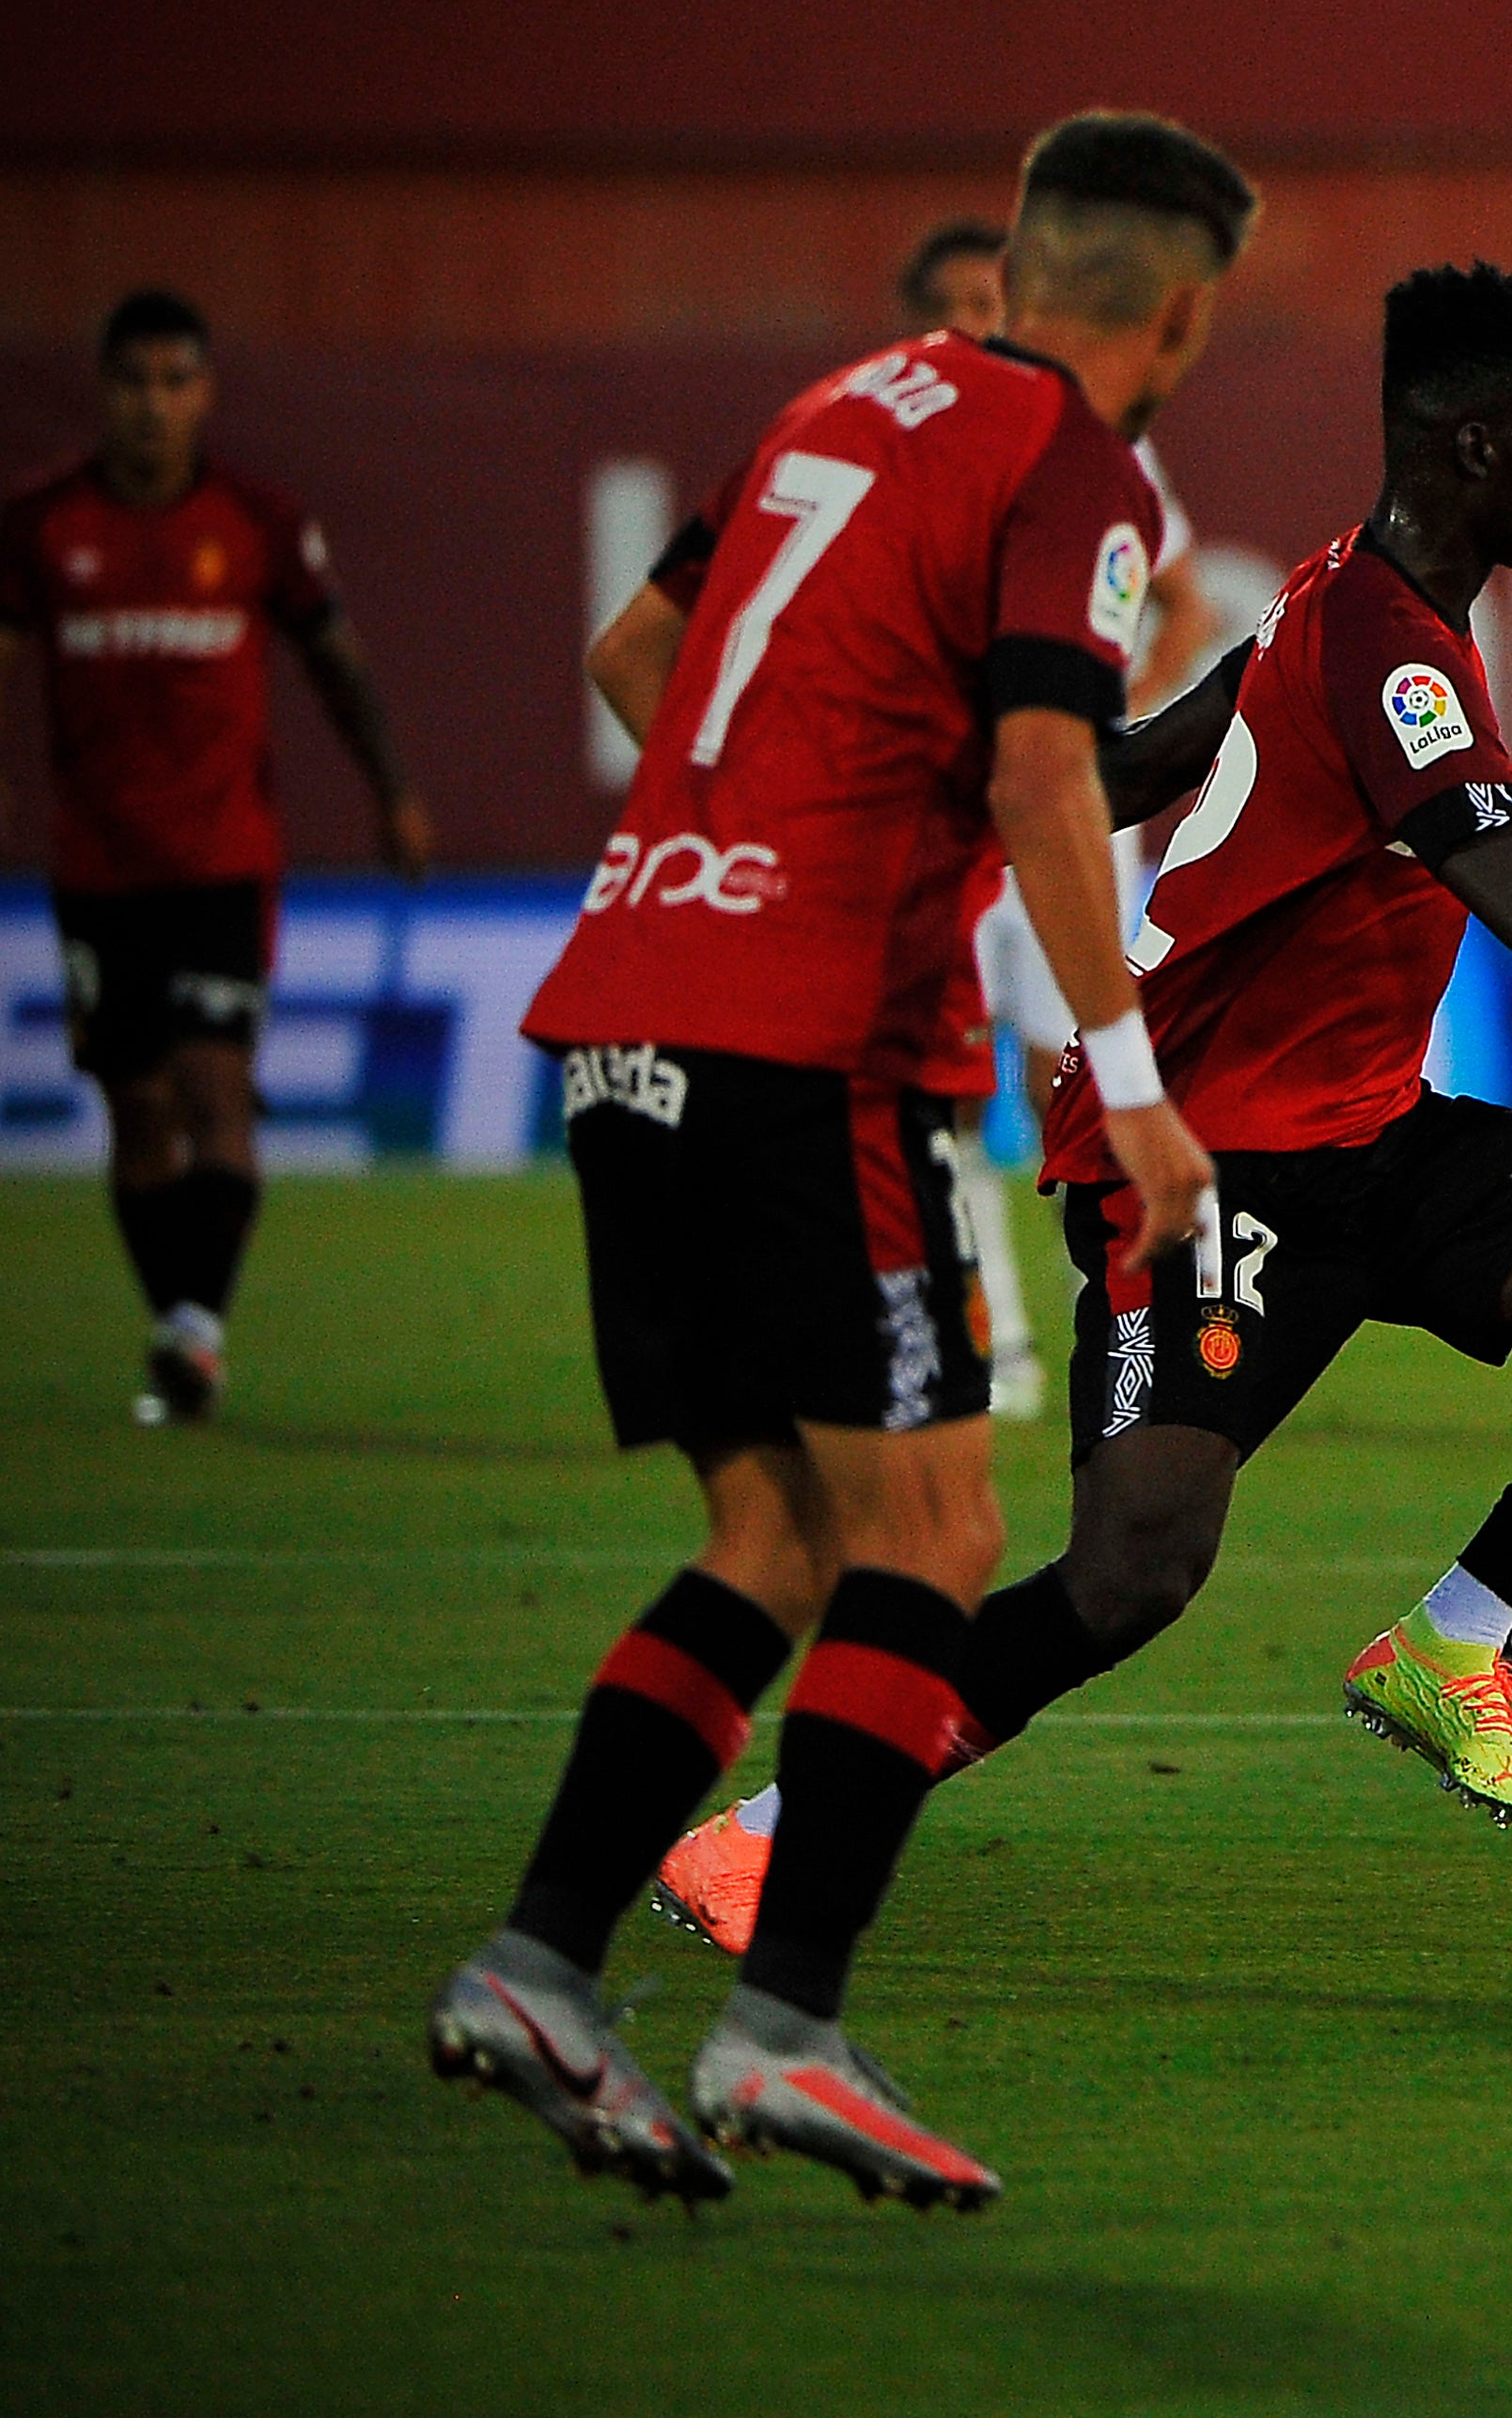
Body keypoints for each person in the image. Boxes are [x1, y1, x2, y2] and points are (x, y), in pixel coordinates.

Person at [638, 263, 1512, 1948]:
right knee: (1128, 1578)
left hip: (1369, 1133)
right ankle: (778, 1828)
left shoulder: (1347, 602)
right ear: (1467, 448)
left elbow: (1149, 760)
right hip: (1204, 1168)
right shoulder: (1392, 652)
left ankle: (1459, 1640)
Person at [424, 113, 1249, 2213]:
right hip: (814, 1049)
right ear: (1177, 308)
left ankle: (537, 1969)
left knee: (777, 1531)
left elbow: (636, 657)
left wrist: (763, 829)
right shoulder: (1080, 465)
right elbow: (1046, 763)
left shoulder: (834, 404)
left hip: (621, 1010)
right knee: (941, 1528)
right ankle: (785, 2033)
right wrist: (1133, 1079)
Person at [0, 290, 429, 1423]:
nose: (153, 404)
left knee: (214, 1087)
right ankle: (179, 1325)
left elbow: (337, 663)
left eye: (174, 380)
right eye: (133, 381)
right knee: (137, 1111)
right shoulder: (44, 526)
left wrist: (392, 796)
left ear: (205, 392)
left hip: (225, 862)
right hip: (98, 869)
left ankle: (195, 1328)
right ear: (104, 391)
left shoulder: (257, 522)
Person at [901, 214, 1220, 1419]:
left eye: (995, 302)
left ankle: (1119, 1320)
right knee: (931, 1086)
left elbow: (1184, 606)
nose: (977, 326)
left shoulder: (1105, 458)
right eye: (956, 307)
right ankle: (989, 1331)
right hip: (942, 820)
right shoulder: (913, 452)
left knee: (1063, 1084)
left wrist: (1108, 714)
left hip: (1060, 816)